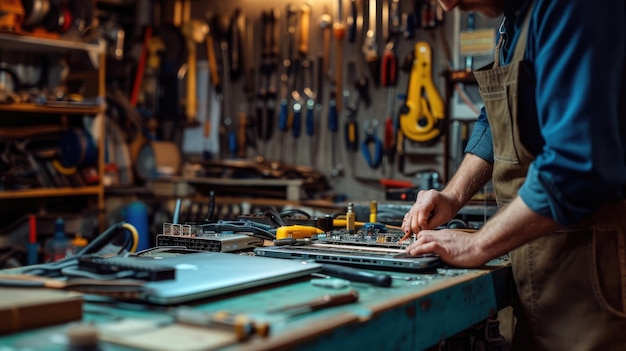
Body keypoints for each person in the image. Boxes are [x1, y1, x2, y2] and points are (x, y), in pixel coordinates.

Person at [401, 0, 626, 350]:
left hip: (594, 276)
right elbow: (496, 121)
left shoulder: (571, 7)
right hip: (539, 270)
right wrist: (452, 196)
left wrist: (476, 245)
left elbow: (573, 168)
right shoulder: (514, 20)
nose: (447, 6)